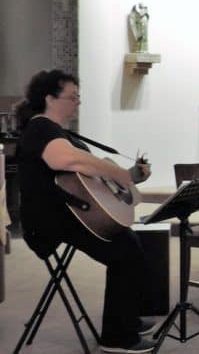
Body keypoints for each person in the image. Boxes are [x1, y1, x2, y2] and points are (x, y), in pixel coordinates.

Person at [15, 70, 154, 353]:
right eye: (72, 96)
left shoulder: (58, 132)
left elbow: (86, 174)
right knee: (126, 250)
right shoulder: (40, 128)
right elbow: (65, 160)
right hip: (49, 222)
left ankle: (124, 320)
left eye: (79, 96)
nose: (78, 102)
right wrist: (121, 174)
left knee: (129, 244)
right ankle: (117, 337)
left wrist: (128, 176)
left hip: (72, 213)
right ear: (50, 99)